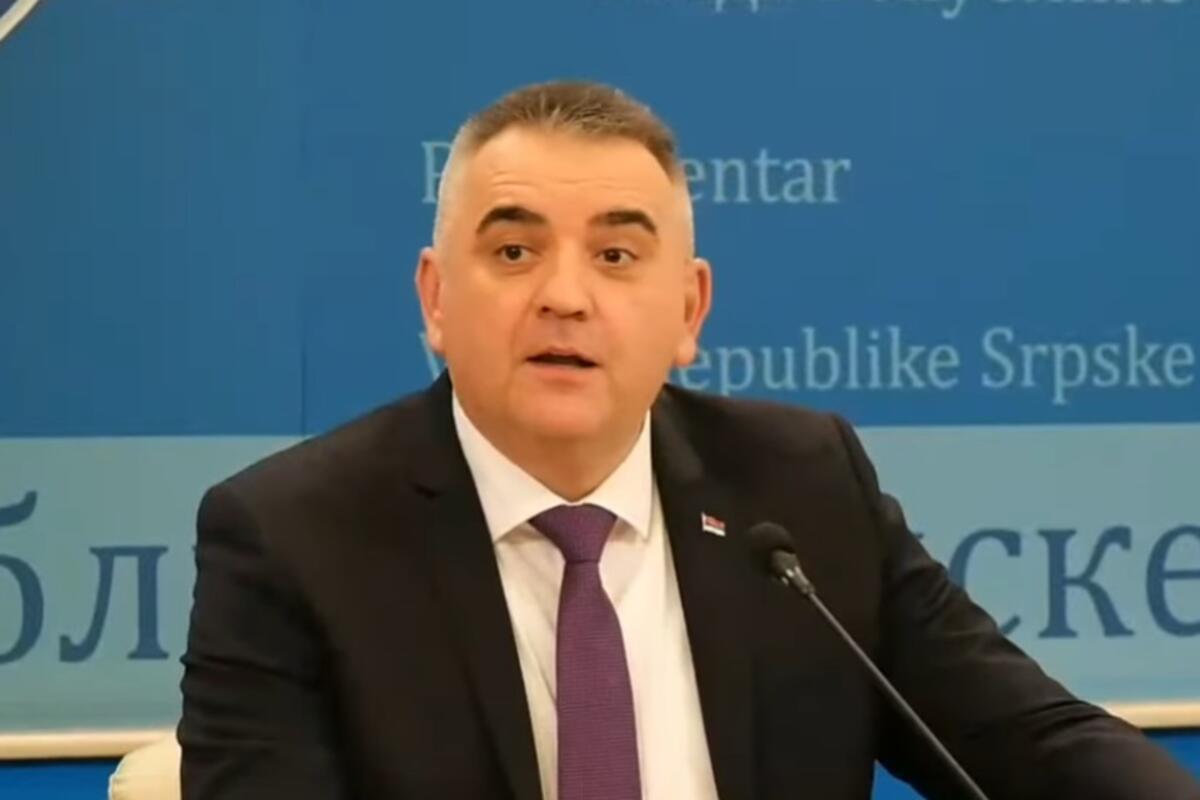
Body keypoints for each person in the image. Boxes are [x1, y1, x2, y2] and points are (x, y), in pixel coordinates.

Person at [178, 80, 1200, 800]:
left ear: (688, 310)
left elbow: (1031, 740)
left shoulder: (800, 491)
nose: (565, 295)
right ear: (436, 299)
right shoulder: (295, 539)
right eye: (515, 250)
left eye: (618, 255)